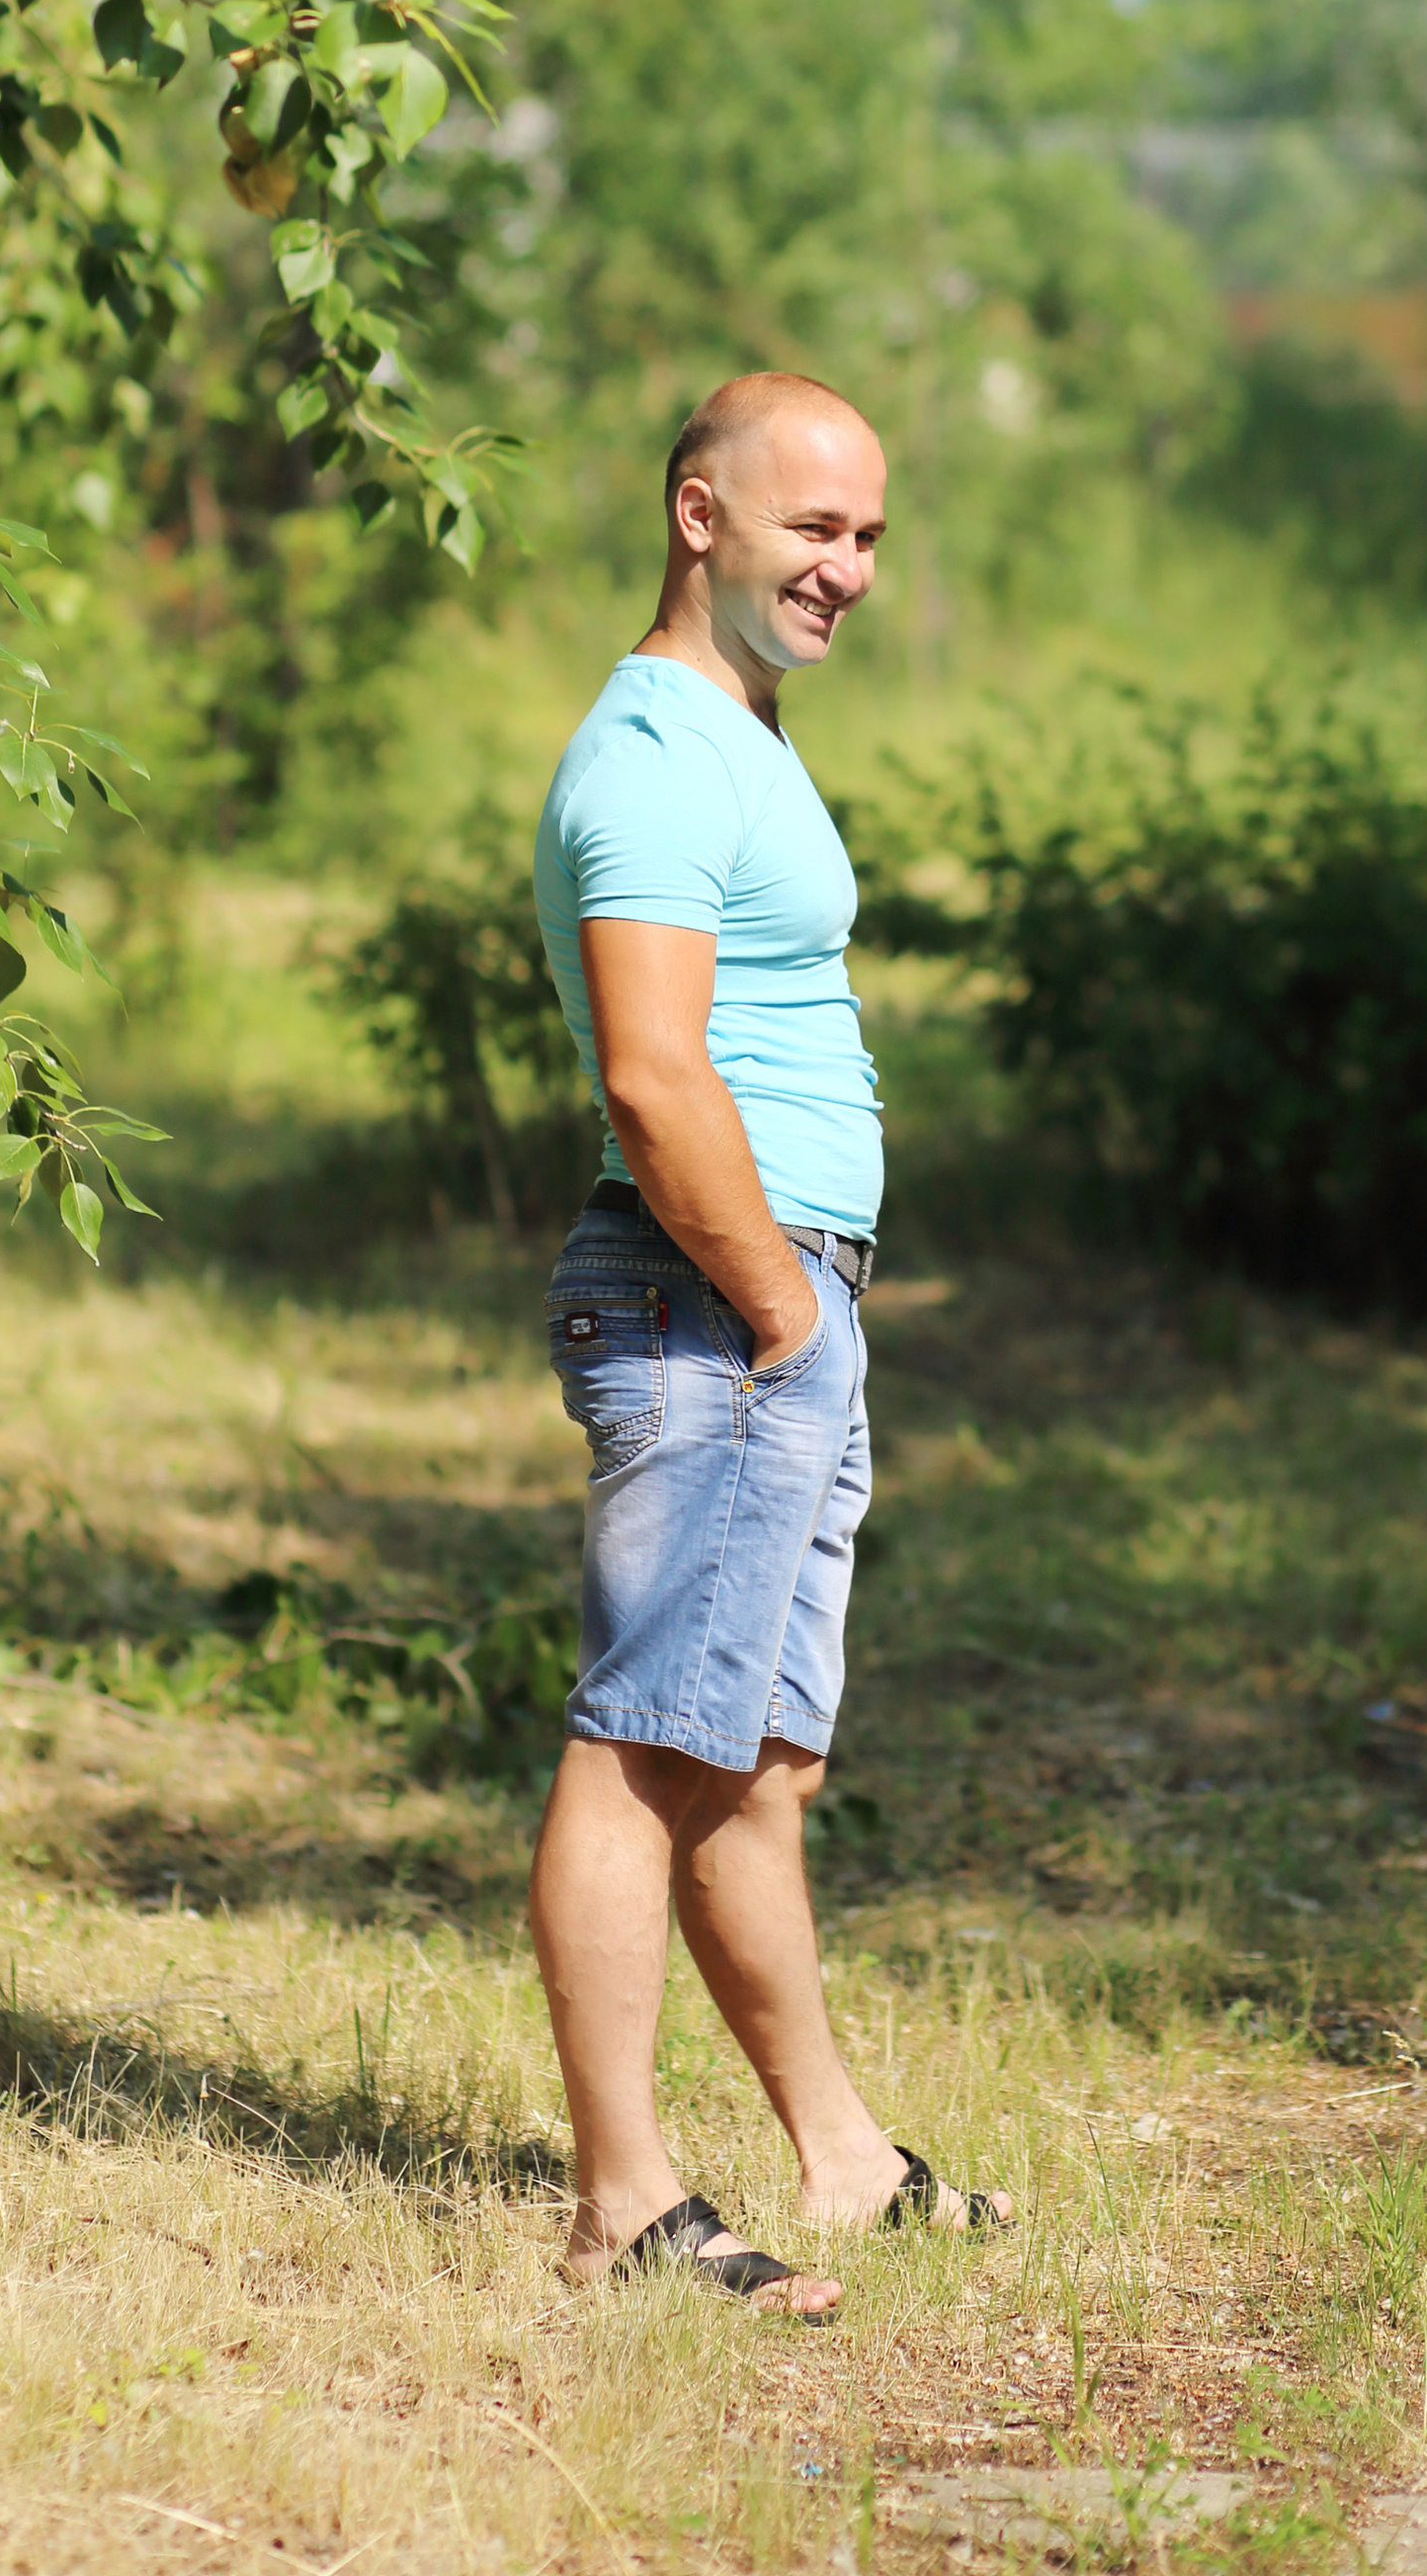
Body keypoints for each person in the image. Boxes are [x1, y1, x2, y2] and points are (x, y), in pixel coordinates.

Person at [528, 370, 1011, 2323]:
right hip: (716, 1294)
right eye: (815, 527)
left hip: (767, 1301)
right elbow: (651, 1076)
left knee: (752, 1764)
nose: (849, 569)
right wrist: (781, 1309)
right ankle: (620, 2205)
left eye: (871, 535)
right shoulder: (647, 753)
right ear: (696, 514)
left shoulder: (737, 733)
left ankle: (839, 2154)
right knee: (648, 1744)